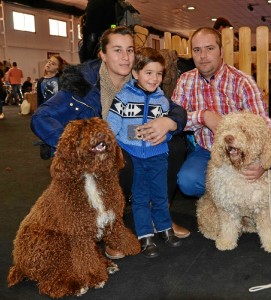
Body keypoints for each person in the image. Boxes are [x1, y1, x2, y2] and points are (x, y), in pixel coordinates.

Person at [31, 26, 189, 259]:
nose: (125, 57)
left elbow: (174, 108)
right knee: (121, 158)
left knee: (174, 147)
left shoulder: (142, 76)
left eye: (130, 50)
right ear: (102, 55)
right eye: (117, 50)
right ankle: (113, 227)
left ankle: (160, 214)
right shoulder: (82, 84)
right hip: (100, 154)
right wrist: (77, 146)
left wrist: (170, 122)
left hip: (137, 144)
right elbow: (41, 117)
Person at [171, 27, 271, 226]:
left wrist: (264, 162)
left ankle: (232, 197)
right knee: (187, 182)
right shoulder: (185, 81)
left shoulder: (242, 82)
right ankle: (223, 198)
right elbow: (174, 120)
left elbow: (264, 124)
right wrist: (203, 116)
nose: (203, 56)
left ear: (221, 51)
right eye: (197, 50)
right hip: (208, 151)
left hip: (243, 154)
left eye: (209, 48)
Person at [107, 47, 182, 258]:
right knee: (140, 198)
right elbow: (112, 126)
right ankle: (145, 236)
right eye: (149, 72)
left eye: (159, 73)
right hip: (135, 156)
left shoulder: (162, 101)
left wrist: (164, 136)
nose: (155, 78)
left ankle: (165, 229)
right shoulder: (122, 98)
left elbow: (167, 131)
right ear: (136, 73)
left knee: (160, 195)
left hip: (158, 155)